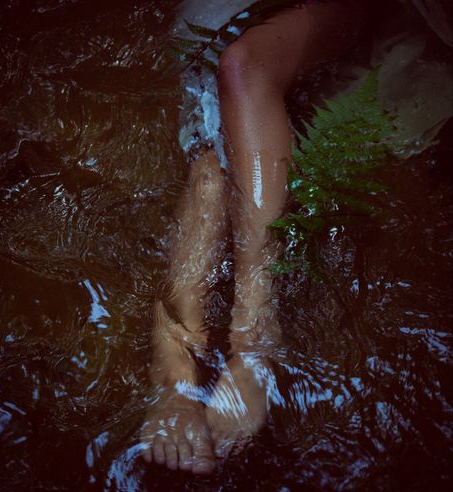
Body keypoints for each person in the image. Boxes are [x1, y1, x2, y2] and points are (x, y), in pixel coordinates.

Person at [139, 0, 365, 474]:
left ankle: (194, 346)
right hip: (225, 27)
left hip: (242, 31)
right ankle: (215, 345)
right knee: (213, 165)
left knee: (212, 164)